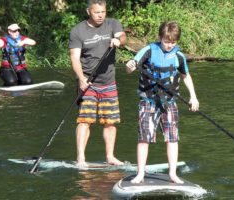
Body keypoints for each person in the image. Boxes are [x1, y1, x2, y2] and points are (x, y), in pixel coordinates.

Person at [126, 21, 199, 184]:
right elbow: (130, 67)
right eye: (166, 41)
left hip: (169, 102)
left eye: (173, 42)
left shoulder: (179, 56)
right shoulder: (149, 50)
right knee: (144, 137)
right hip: (148, 100)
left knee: (172, 138)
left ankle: (173, 174)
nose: (169, 45)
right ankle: (140, 174)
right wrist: (130, 66)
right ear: (160, 38)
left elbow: (186, 76)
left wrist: (193, 97)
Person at [69, 0, 126, 168]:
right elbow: (74, 57)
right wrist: (81, 78)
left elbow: (122, 37)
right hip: (88, 82)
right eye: (96, 12)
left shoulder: (112, 24)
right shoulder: (78, 31)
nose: (100, 15)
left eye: (103, 11)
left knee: (110, 121)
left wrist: (118, 41)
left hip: (109, 82)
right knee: (85, 120)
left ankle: (110, 156)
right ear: (89, 12)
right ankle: (80, 158)